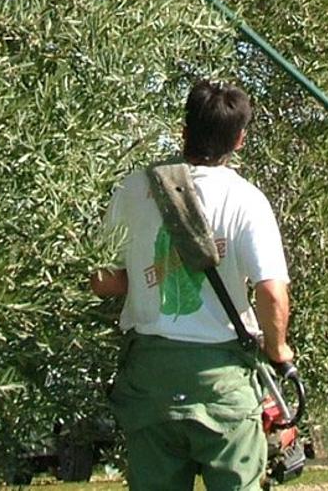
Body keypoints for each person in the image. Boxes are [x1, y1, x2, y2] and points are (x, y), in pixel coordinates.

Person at [90, 80, 293, 491]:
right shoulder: (246, 200)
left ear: (183, 131)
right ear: (239, 139)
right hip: (221, 381)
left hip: (151, 381)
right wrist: (279, 350)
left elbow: (102, 280)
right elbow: (271, 292)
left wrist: (149, 278)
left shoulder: (134, 189)